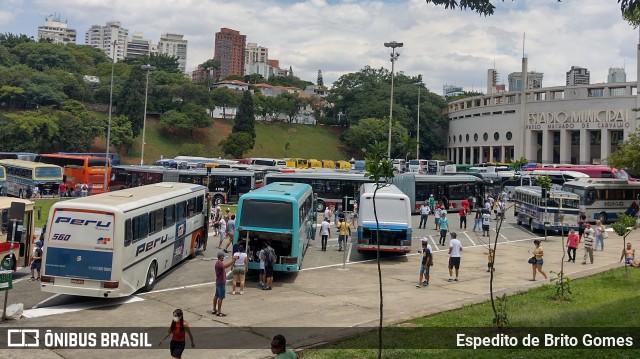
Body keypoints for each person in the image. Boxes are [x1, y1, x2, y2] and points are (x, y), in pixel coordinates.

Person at [213, 251, 233, 316]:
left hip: (219, 282)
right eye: (223, 256)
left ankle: (214, 309)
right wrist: (233, 260)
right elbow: (226, 266)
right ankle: (219, 311)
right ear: (220, 257)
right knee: (220, 297)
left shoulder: (218, 263)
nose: (223, 257)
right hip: (221, 282)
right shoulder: (219, 263)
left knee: (216, 295)